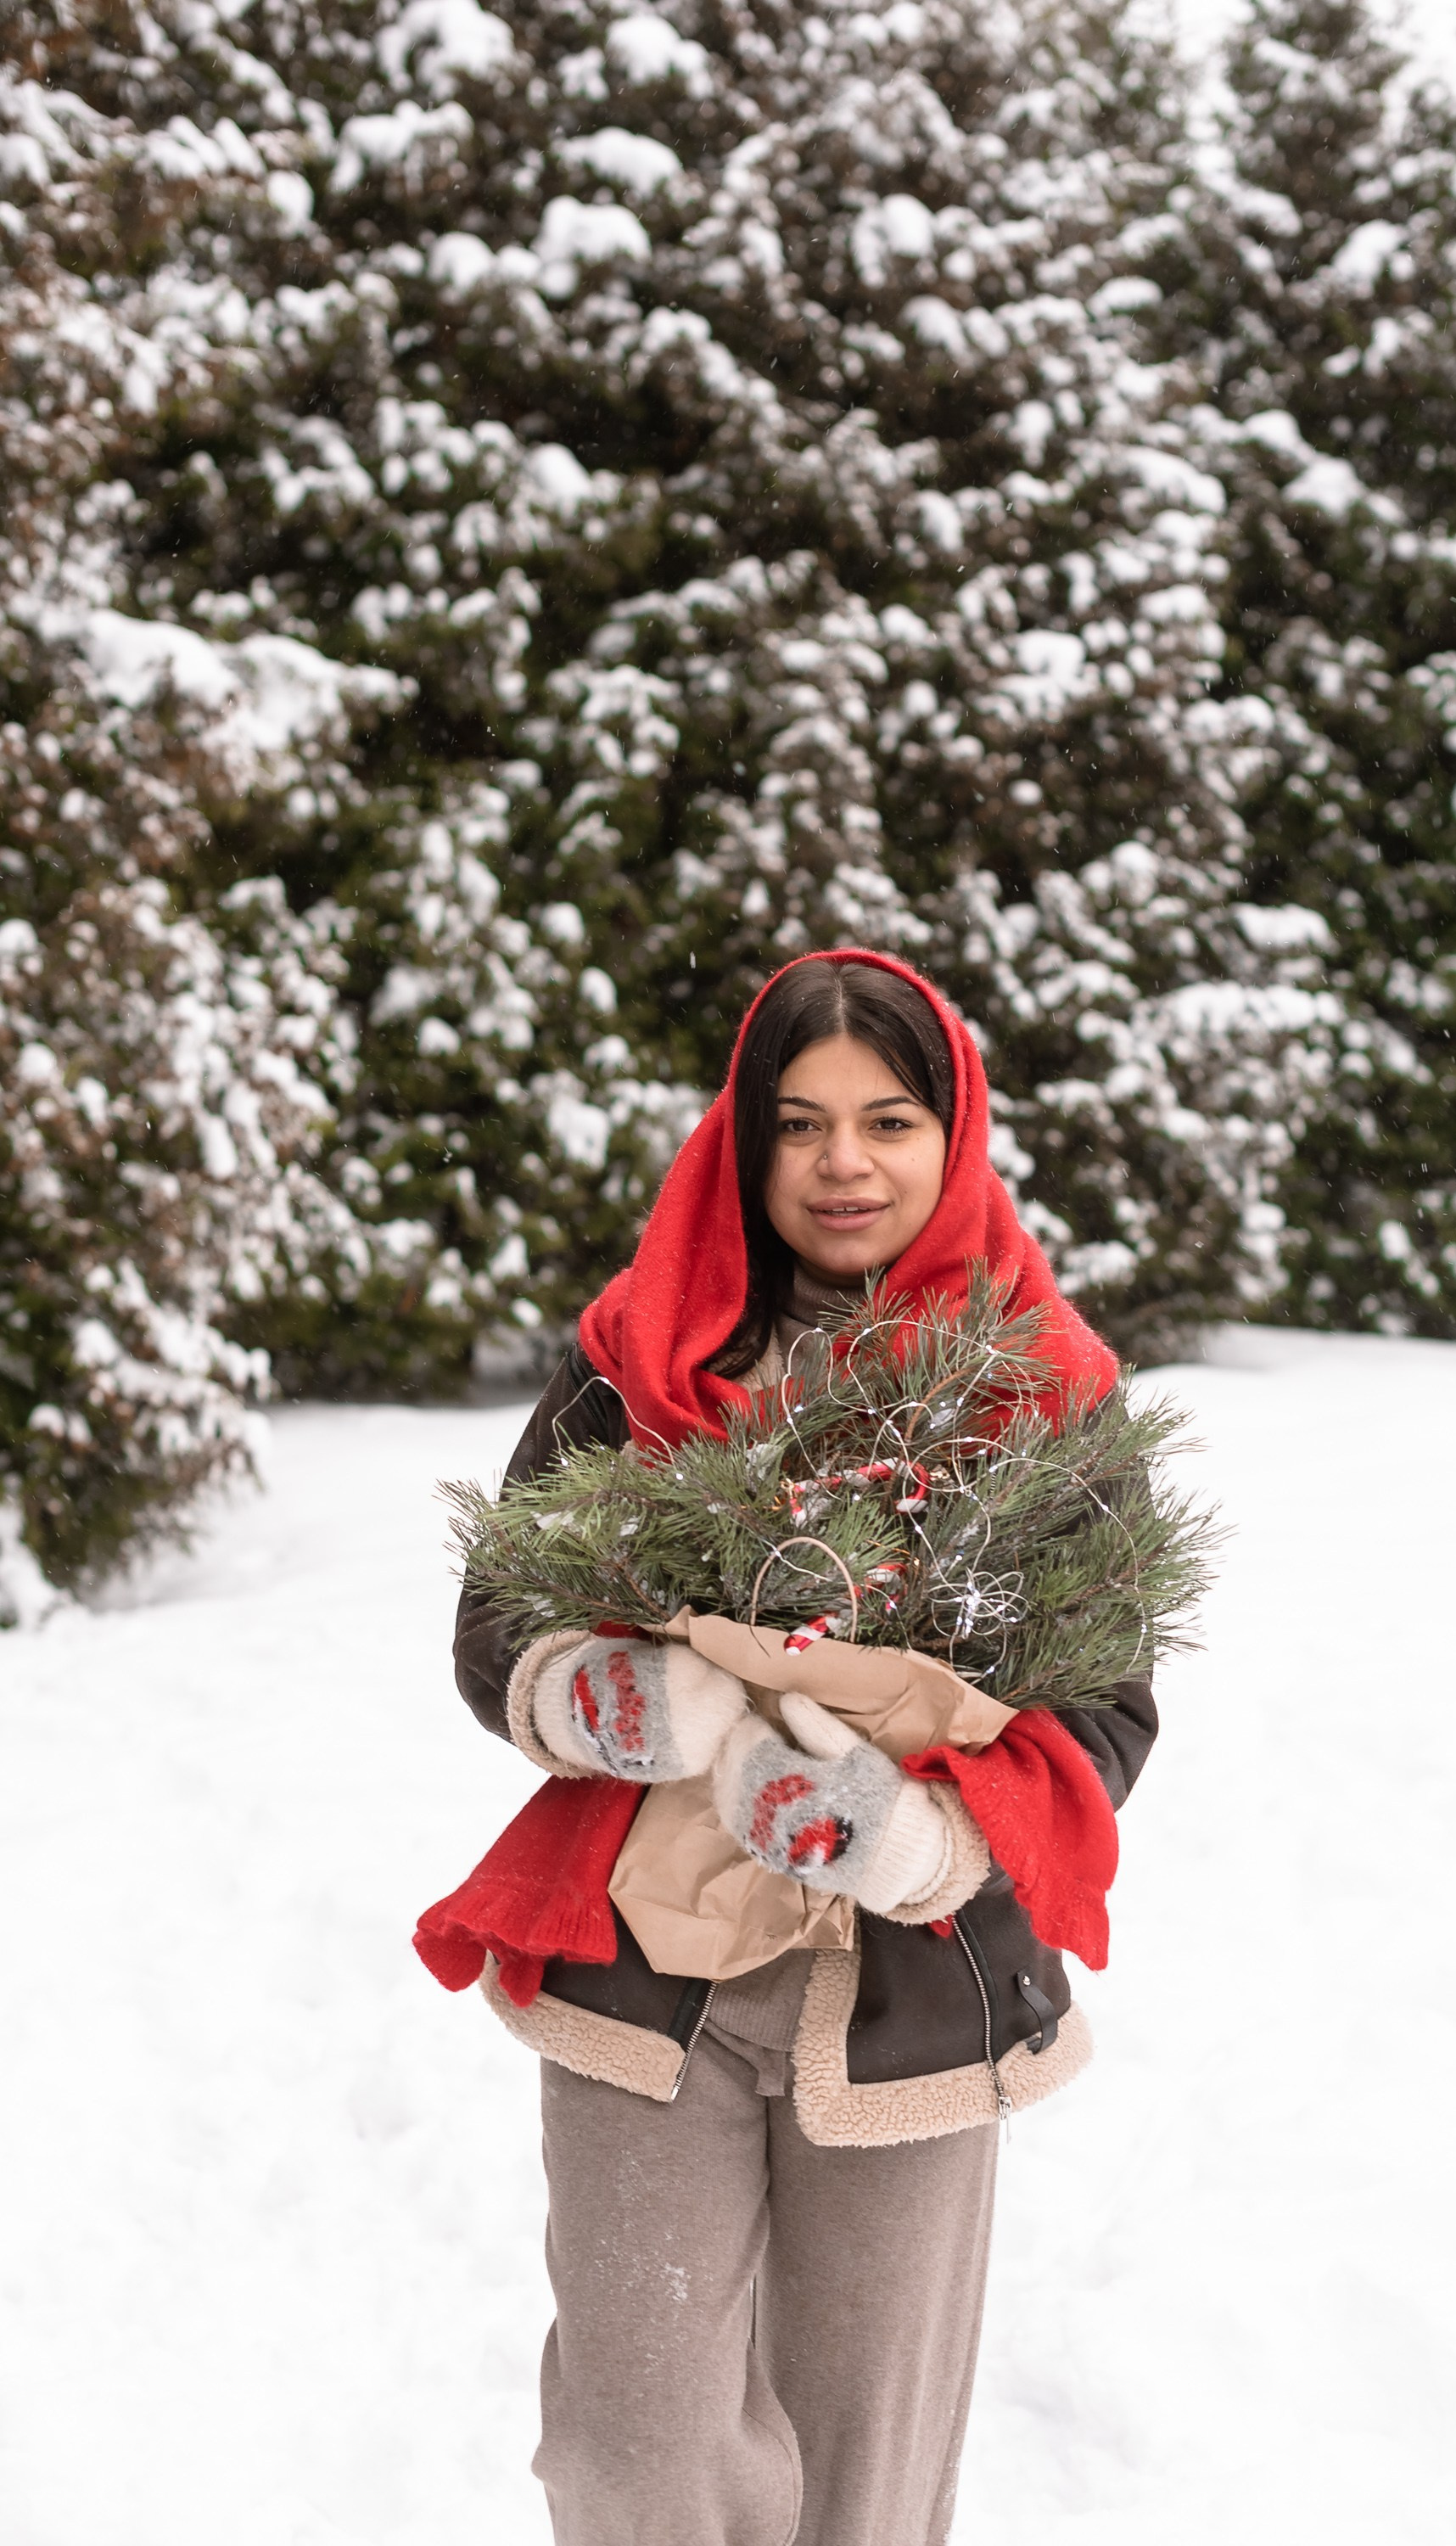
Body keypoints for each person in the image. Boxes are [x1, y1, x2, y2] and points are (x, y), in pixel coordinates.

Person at [448, 951, 1158, 2546]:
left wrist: (920, 1842)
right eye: (801, 1124)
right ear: (745, 1144)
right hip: (651, 1974)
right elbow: (499, 1627)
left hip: (914, 1987)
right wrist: (633, 1699)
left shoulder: (1042, 1390)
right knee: (635, 2452)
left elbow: (1106, 1708)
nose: (844, 1164)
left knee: (867, 2475)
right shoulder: (639, 1364)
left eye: (889, 1120)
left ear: (951, 1135)